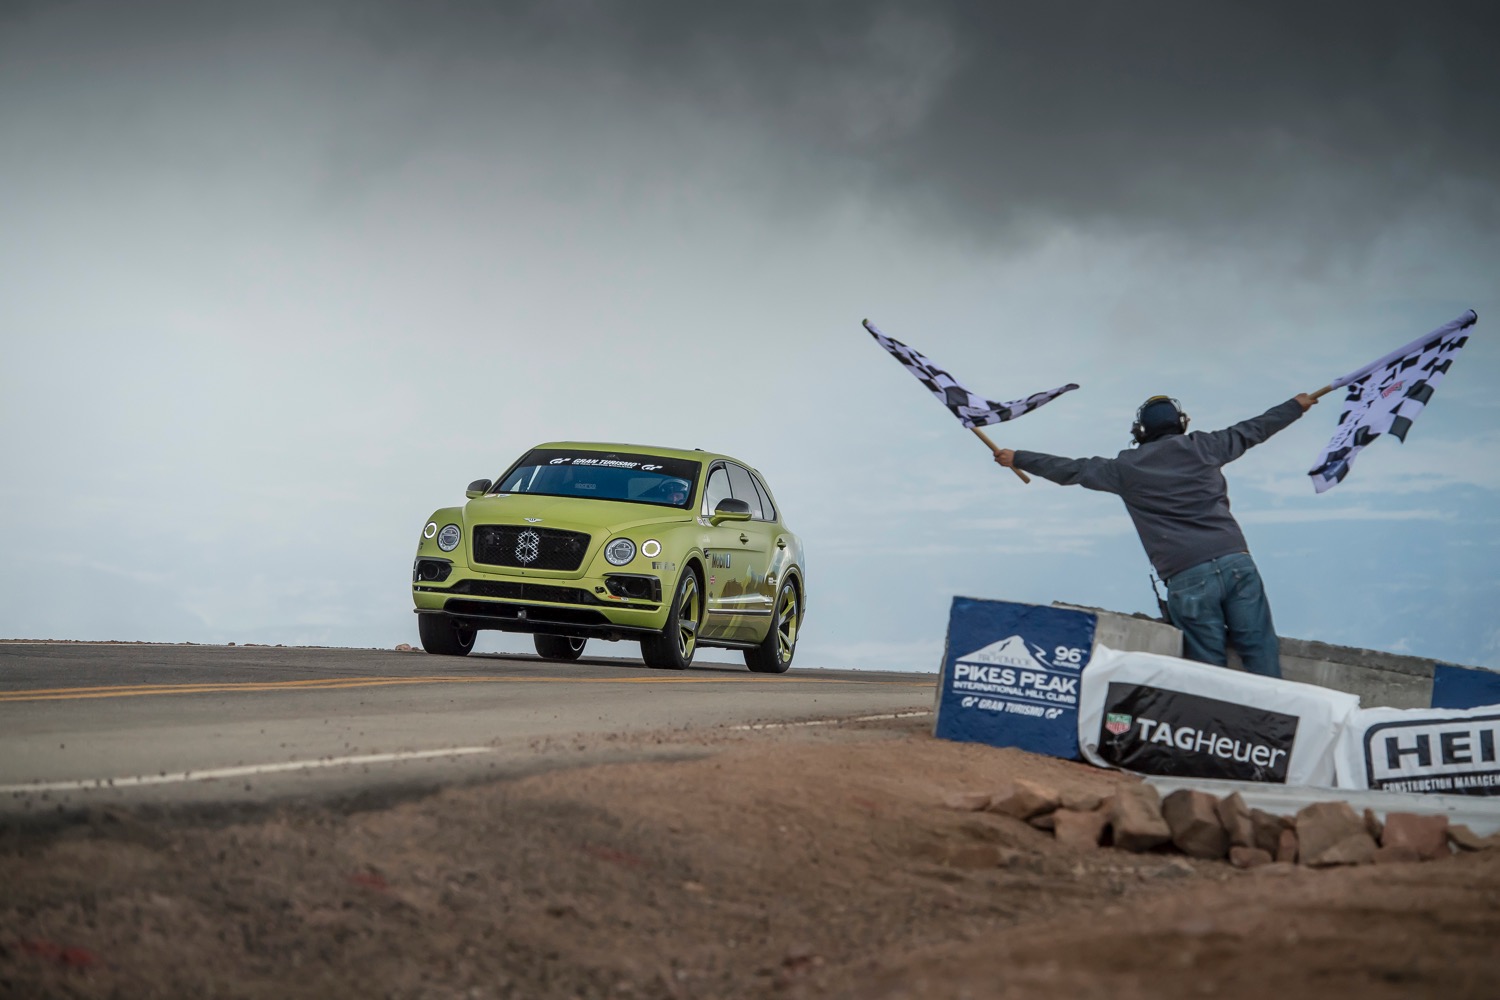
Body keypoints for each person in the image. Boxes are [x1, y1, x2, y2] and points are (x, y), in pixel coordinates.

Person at [994, 393, 1318, 678]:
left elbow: (1071, 469)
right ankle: (1278, 735)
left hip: (1187, 576)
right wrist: (1295, 406)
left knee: (1209, 671)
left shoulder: (1125, 468)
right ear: (1181, 424)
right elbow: (1255, 428)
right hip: (1237, 563)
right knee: (1261, 655)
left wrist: (1018, 457)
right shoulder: (1206, 446)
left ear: (1140, 432)